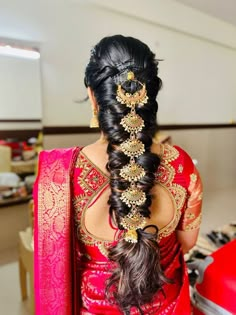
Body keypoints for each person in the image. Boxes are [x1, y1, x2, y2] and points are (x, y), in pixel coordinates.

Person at [34, 35, 203, 315]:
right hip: (168, 304)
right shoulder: (181, 164)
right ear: (150, 96)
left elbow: (55, 268)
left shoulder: (60, 174)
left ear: (93, 95)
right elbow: (187, 243)